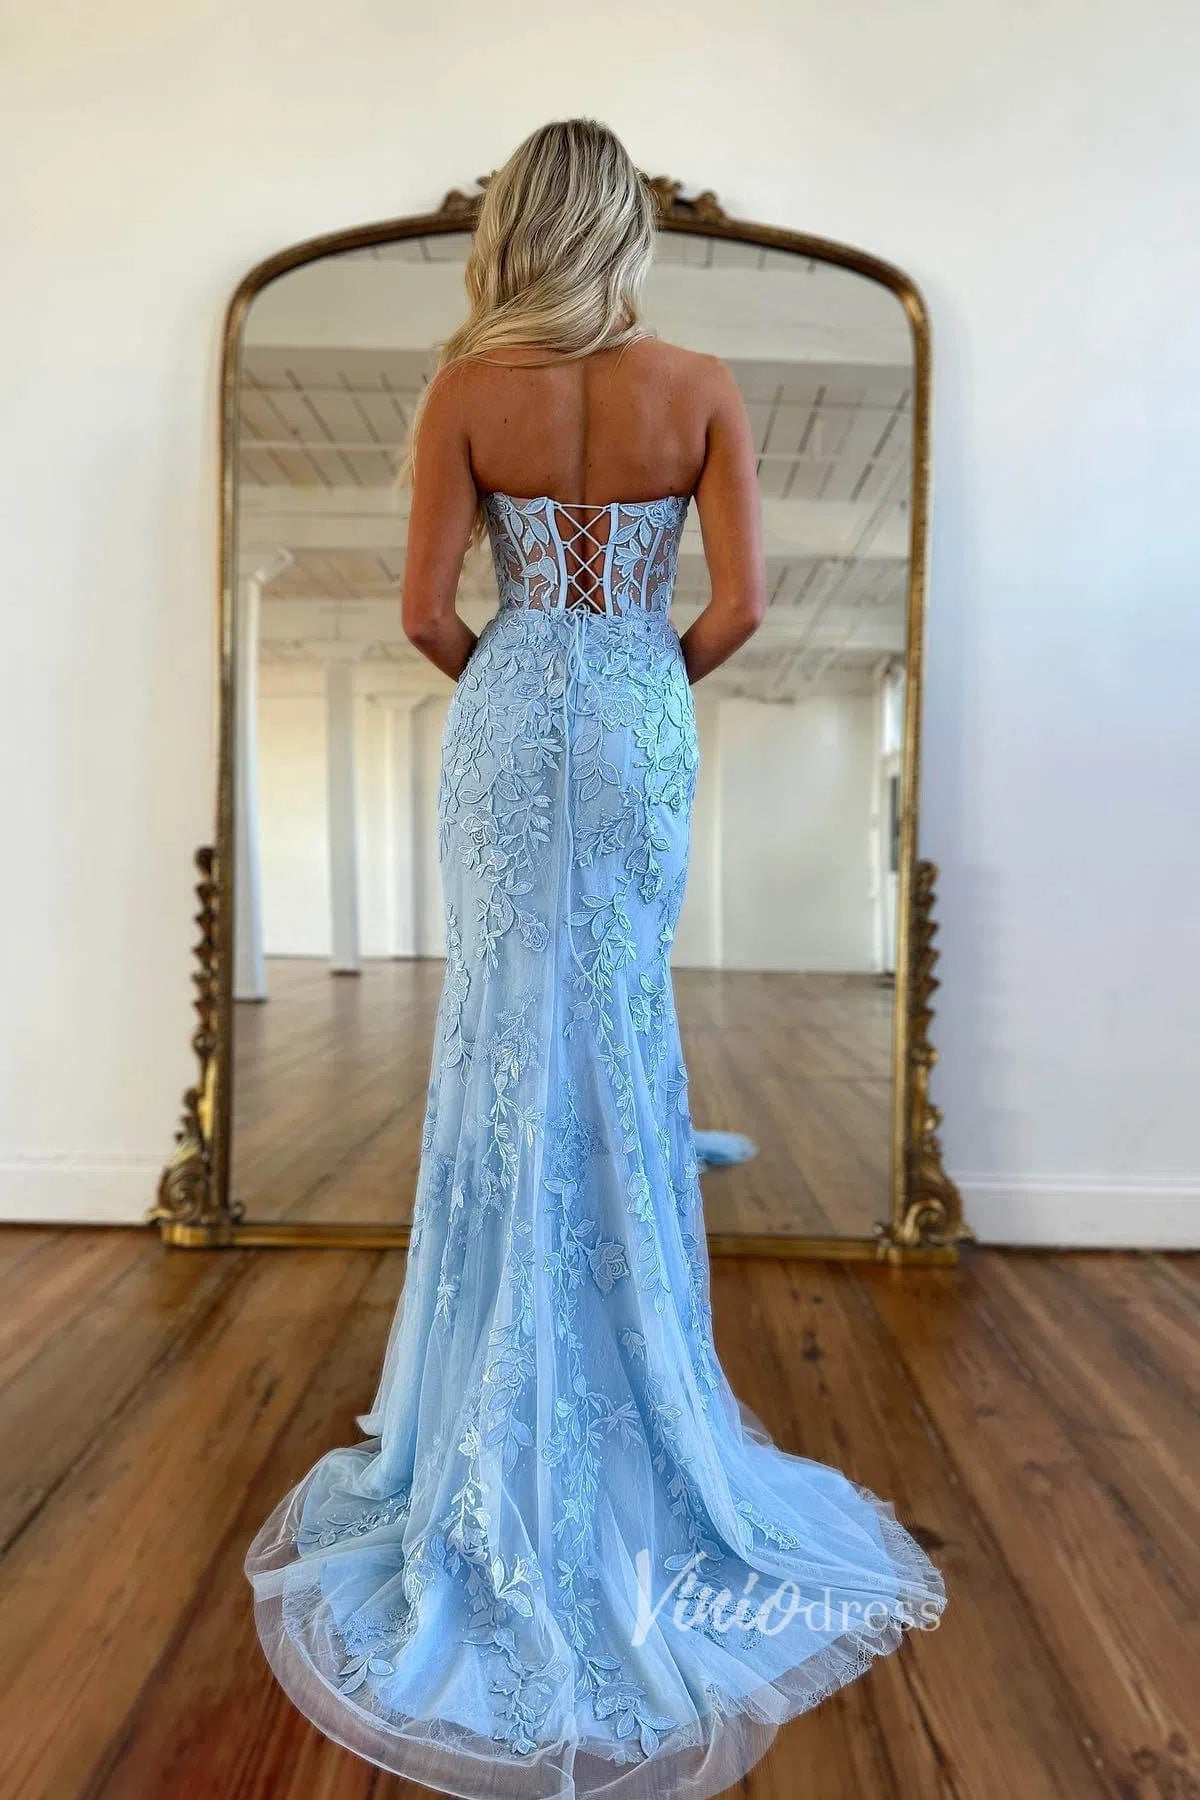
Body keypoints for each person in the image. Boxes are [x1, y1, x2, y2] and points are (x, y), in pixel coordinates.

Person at [244, 118, 947, 1800]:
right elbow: (745, 605)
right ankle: (636, 1378)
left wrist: (524, 679)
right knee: (619, 1023)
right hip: (637, 704)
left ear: (515, 230)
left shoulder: (464, 388)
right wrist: (632, 681)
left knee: (503, 1029)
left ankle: (488, 1396)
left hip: (511, 715)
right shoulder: (697, 384)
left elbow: (425, 613)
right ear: (624, 230)